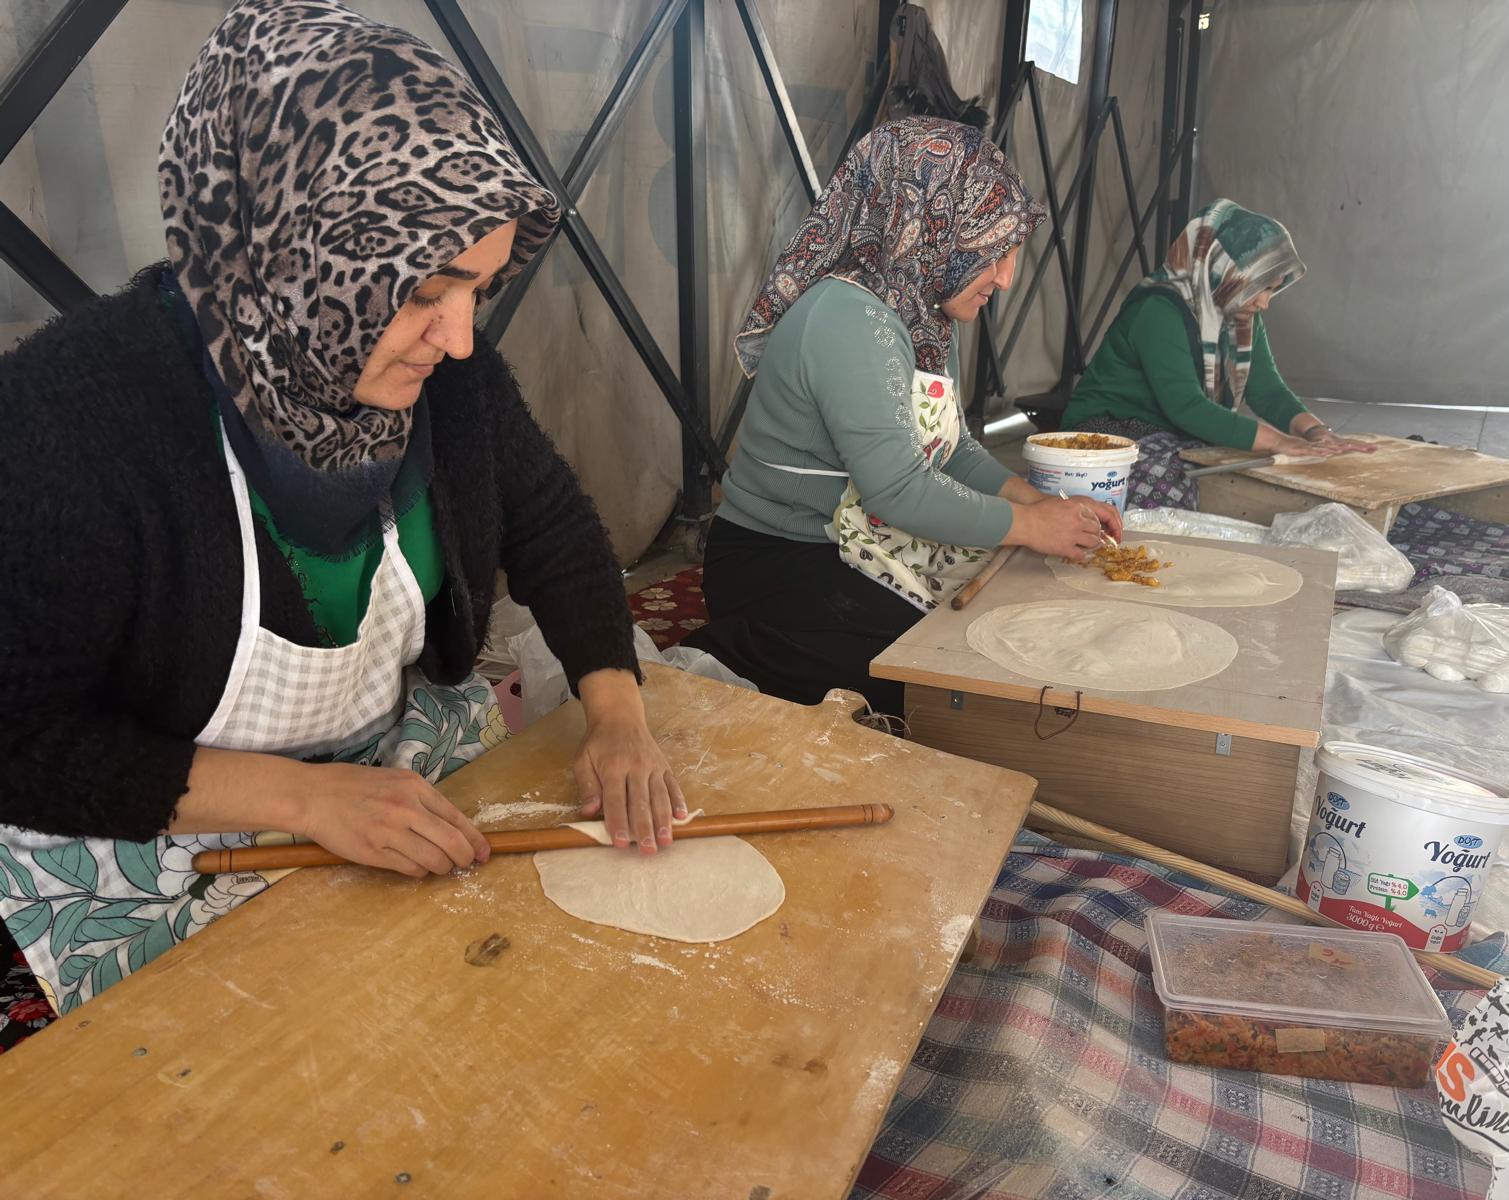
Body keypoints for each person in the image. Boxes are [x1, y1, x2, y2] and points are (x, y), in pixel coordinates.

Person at [0, 0, 684, 1014]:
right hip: (154, 817)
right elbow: (19, 741)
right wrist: (300, 798)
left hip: (381, 767)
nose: (456, 340)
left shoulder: (448, 384)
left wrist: (616, 713)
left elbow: (549, 524)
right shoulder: (73, 425)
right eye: (424, 290)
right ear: (293, 243)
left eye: (479, 293)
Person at [684, 118, 1123, 717]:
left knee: (996, 627)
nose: (1006, 278)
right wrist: (1029, 527)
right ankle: (735, 651)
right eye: (990, 252)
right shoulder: (848, 319)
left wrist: (1040, 506)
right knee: (934, 679)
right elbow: (897, 491)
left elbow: (955, 449)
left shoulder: (925, 310)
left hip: (858, 539)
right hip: (779, 558)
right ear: (933, 226)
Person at [1063, 199, 1375, 458]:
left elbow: (1267, 391)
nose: (1265, 303)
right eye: (1261, 288)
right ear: (1226, 272)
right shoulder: (1158, 310)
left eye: (1273, 289)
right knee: (1188, 479)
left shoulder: (1236, 312)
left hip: (1169, 431)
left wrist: (1316, 433)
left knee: (1244, 467)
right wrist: (1279, 442)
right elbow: (1185, 406)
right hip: (1106, 429)